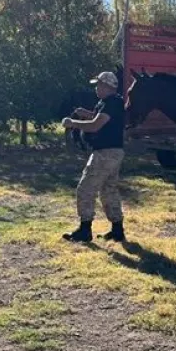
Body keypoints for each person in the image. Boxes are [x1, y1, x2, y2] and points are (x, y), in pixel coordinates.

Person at [61, 71, 126, 243]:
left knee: (85, 188)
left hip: (104, 153)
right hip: (113, 152)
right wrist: (86, 113)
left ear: (107, 86)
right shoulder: (112, 103)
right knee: (109, 190)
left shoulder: (111, 103)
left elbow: (96, 125)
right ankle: (117, 230)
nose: (96, 88)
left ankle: (84, 230)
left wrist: (73, 123)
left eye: (98, 85)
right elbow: (101, 119)